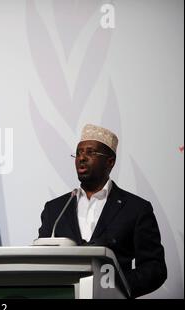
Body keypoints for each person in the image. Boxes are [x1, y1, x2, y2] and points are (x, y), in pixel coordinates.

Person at [38, 124, 167, 298]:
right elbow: (40, 260)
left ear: (110, 162)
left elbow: (154, 268)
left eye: (90, 152)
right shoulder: (55, 209)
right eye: (78, 153)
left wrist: (115, 286)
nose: (81, 158)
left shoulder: (136, 209)